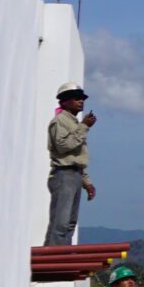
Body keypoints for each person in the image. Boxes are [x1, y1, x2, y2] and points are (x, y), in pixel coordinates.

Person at [45, 85, 96, 245]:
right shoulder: (60, 121)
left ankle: (61, 253)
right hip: (63, 174)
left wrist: (86, 182)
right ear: (65, 101)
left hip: (74, 174)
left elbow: (76, 157)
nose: (81, 101)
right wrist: (84, 126)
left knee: (69, 223)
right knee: (61, 222)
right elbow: (63, 146)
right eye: (76, 98)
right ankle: (55, 256)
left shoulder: (73, 123)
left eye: (82, 98)